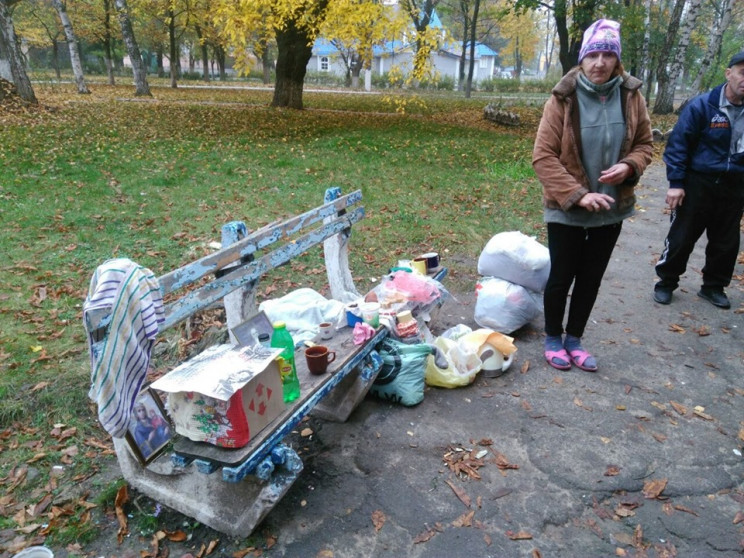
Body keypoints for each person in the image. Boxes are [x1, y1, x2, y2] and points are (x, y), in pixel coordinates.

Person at [532, 19, 653, 372]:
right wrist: (578, 195)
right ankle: (553, 337)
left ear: (617, 60)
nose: (599, 62)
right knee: (562, 275)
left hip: (611, 208)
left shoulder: (631, 96)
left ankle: (575, 339)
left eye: (607, 54)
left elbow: (646, 144)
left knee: (591, 277)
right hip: (567, 207)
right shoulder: (562, 99)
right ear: (582, 59)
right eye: (593, 54)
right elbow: (543, 156)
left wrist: (630, 165)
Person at [653, 51, 744, 309]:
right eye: (742, 72)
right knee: (681, 238)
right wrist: (676, 183)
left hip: (734, 186)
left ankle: (713, 287)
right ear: (729, 73)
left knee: (726, 243)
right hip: (698, 184)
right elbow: (678, 146)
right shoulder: (703, 106)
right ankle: (666, 283)